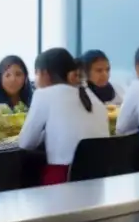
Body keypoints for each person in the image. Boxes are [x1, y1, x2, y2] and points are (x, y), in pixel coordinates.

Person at [19, 48, 109, 184]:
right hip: (98, 183)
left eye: (36, 74)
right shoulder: (91, 97)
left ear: (44, 74)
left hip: (63, 180)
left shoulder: (44, 94)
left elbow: (25, 143)